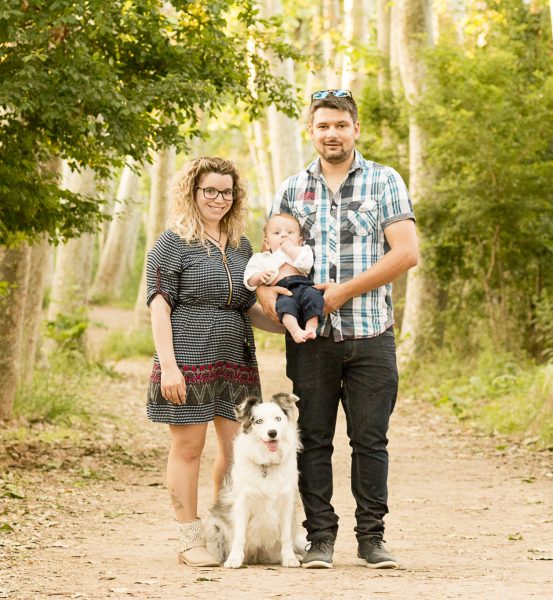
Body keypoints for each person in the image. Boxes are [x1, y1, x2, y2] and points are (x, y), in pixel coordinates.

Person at [257, 89, 419, 569]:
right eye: (322, 125)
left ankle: (372, 538)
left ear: (355, 129)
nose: (332, 133)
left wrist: (343, 292)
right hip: (312, 342)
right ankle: (320, 539)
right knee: (315, 439)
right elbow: (265, 264)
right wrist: (275, 304)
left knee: (371, 440)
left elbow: (405, 253)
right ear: (311, 131)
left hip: (371, 334)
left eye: (340, 125)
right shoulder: (290, 190)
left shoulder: (384, 181)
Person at [146, 156, 281, 567]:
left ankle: (223, 532)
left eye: (227, 191)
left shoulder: (241, 246)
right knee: (189, 446)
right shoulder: (172, 243)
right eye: (211, 191)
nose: (219, 199)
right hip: (187, 355)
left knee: (235, 447)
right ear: (193, 192)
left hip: (236, 358)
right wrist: (169, 366)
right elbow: (159, 307)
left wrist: (290, 328)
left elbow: (245, 308)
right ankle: (189, 538)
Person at [243, 213, 324, 343]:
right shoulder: (262, 258)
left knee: (314, 296)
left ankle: (311, 327)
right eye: (277, 233)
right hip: (282, 291)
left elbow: (306, 264)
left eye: (290, 232)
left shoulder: (303, 251)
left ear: (300, 241)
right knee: (285, 306)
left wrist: (291, 250)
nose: (284, 235)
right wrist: (258, 277)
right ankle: (295, 330)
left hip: (303, 286)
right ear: (267, 242)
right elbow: (248, 280)